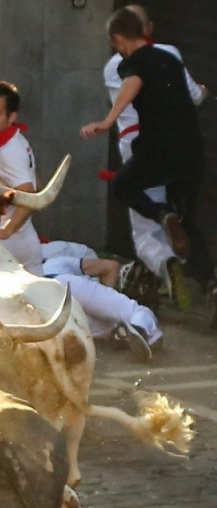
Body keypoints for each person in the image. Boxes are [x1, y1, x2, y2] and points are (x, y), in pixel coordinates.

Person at [81, 8, 216, 326]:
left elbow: (133, 83)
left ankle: (165, 251)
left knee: (127, 191)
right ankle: (211, 284)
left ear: (117, 38)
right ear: (146, 28)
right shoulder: (171, 54)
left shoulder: (123, 64)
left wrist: (107, 120)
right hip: (191, 151)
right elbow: (195, 94)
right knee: (189, 220)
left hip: (148, 149)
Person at [41, 240, 162, 363]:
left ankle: (122, 334)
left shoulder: (29, 265)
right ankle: (141, 330)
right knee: (135, 312)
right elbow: (111, 266)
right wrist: (105, 301)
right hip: (60, 280)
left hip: (44, 305)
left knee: (101, 326)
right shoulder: (53, 260)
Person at [0, 81, 44, 276]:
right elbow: (36, 184)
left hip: (10, 244)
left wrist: (7, 230)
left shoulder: (7, 151)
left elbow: (30, 194)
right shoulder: (16, 139)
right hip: (23, 239)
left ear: (11, 116)